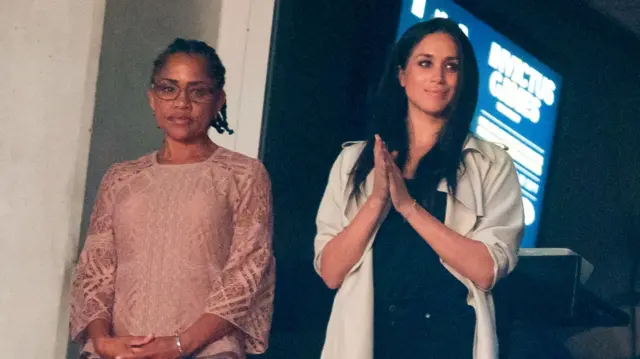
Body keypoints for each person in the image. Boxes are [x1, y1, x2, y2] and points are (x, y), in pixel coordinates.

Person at [313, 18, 524, 359]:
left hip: (449, 340)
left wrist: (409, 207)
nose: (438, 77)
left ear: (463, 79)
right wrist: (380, 199)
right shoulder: (355, 161)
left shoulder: (491, 164)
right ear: (402, 75)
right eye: (425, 63)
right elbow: (331, 272)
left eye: (451, 66)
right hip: (371, 340)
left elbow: (486, 270)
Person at [69, 38, 275, 359]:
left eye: (198, 91)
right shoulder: (121, 177)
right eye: (169, 89)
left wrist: (179, 345)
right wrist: (102, 342)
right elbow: (94, 271)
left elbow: (247, 273)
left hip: (207, 351)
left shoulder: (243, 174)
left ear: (218, 100)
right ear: (152, 99)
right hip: (119, 351)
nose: (182, 103)